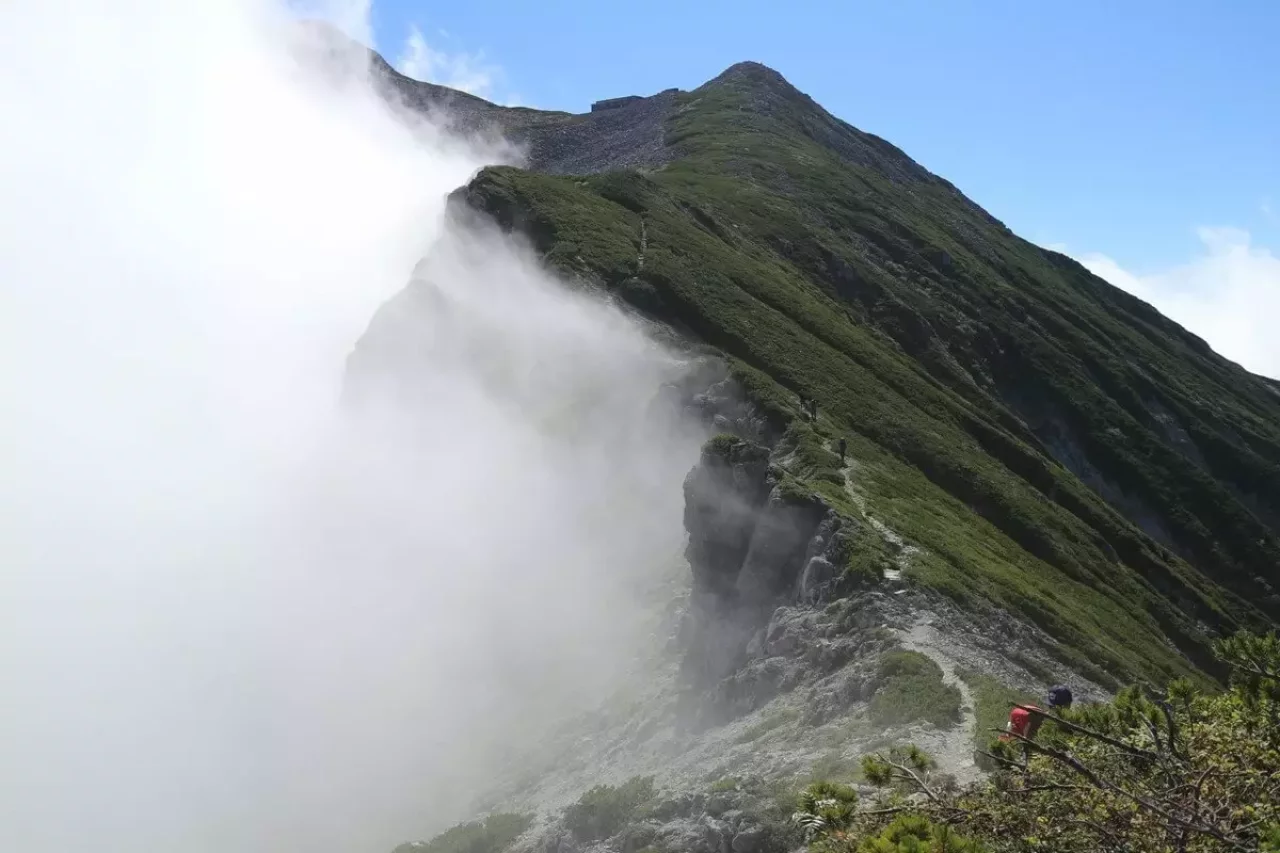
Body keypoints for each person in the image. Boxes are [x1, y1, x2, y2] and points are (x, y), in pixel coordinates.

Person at [1002, 685, 1073, 758]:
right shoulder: (1037, 718)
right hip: (1018, 731)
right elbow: (1027, 742)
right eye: (1068, 705)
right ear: (1065, 705)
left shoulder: (1041, 716)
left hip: (1017, 720)